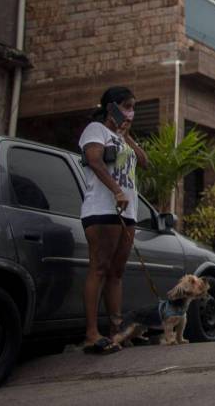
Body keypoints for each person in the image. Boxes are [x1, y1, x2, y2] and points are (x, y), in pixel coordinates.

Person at [79, 86, 147, 355]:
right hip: (102, 210)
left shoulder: (121, 137)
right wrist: (116, 190)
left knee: (116, 272)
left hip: (127, 214)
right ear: (112, 108)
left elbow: (145, 162)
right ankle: (91, 334)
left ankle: (116, 331)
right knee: (99, 267)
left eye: (133, 107)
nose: (131, 111)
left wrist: (127, 137)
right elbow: (94, 160)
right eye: (127, 106)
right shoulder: (95, 130)